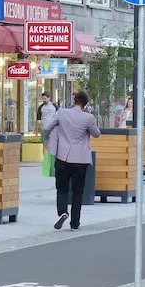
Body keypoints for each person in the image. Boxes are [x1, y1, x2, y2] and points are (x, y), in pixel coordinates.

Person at [43, 90, 101, 231]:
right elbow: (96, 134)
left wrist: (49, 139)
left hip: (63, 157)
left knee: (61, 188)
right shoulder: (88, 118)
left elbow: (47, 127)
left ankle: (63, 212)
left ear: (74, 101)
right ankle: (75, 222)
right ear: (85, 104)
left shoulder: (62, 113)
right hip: (81, 159)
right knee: (77, 191)